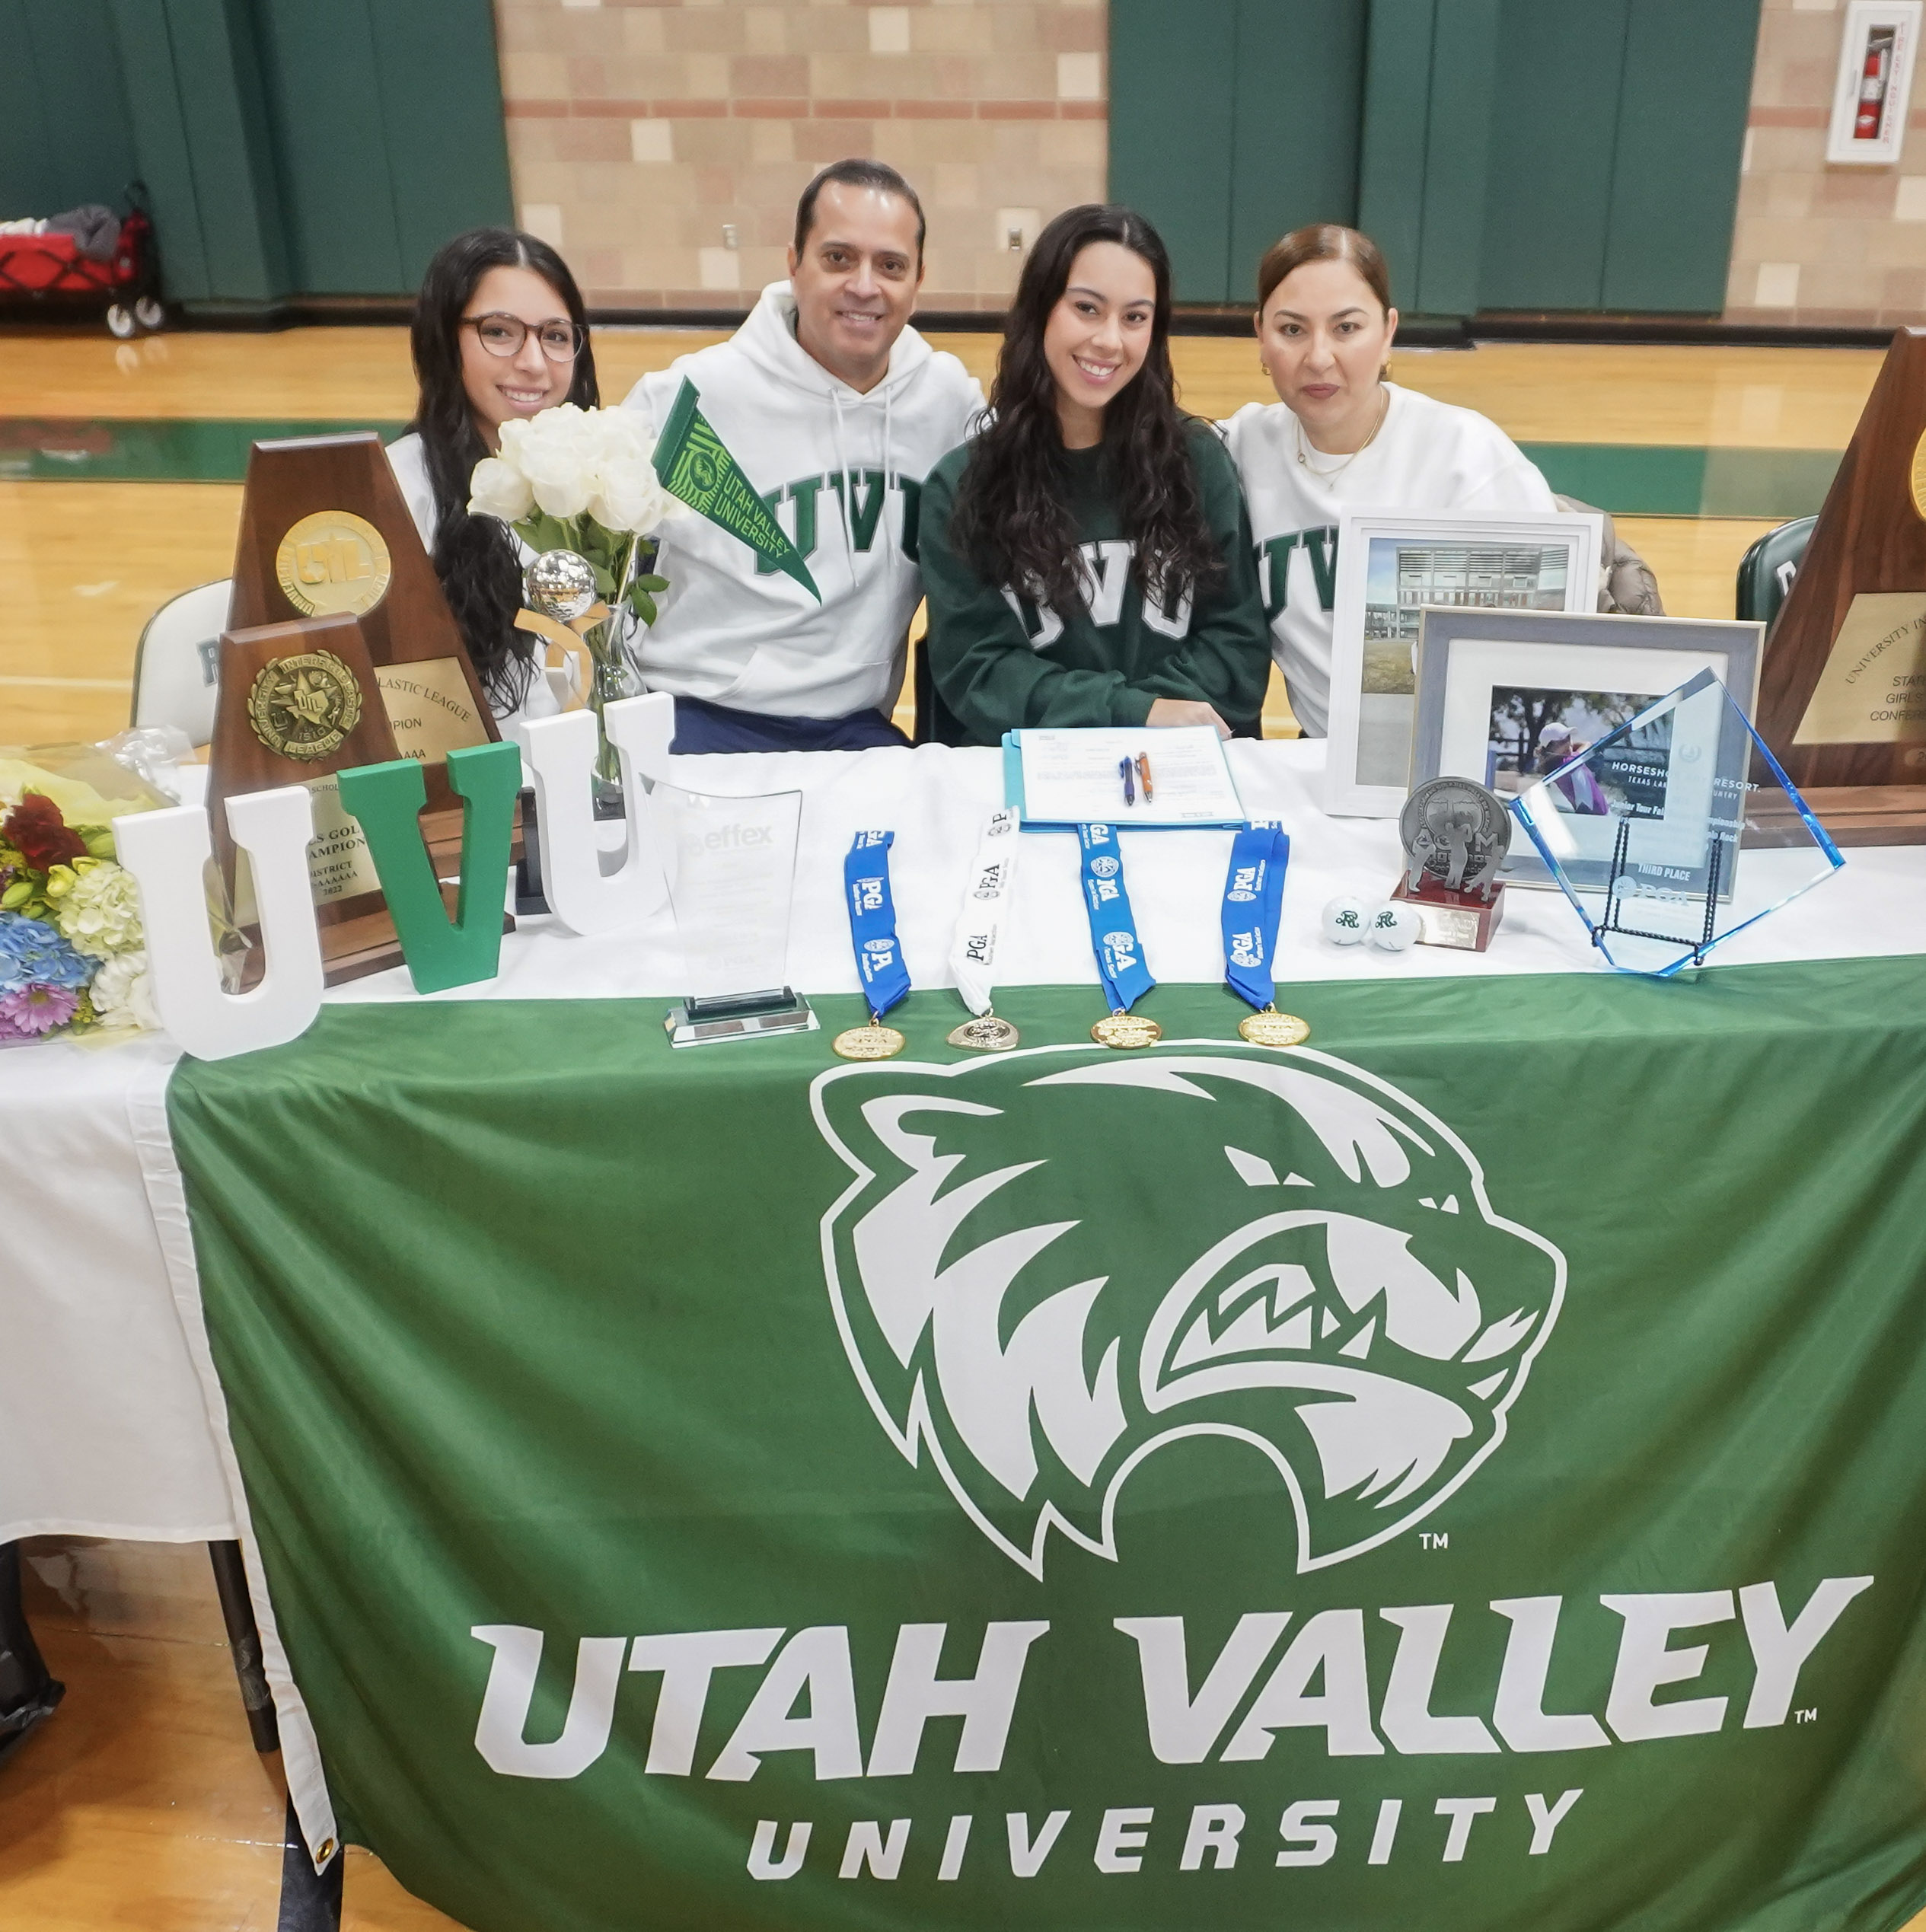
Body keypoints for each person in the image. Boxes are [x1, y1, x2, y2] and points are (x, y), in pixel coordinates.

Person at [622, 159, 983, 753]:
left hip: (856, 726)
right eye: (838, 258)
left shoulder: (948, 404)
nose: (864, 286)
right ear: (794, 263)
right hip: (697, 712)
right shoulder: (688, 400)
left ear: (919, 280)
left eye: (890, 265)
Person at [918, 205, 1269, 746]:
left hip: (1174, 763)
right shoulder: (963, 486)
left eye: (1135, 317)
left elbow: (1237, 648)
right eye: (1087, 308)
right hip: (1033, 766)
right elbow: (978, 672)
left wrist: (1141, 721)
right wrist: (1134, 712)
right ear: (1041, 311)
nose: (1110, 340)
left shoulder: (1198, 463)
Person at [1222, 224, 1558, 741]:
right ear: (1260, 339)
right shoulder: (1241, 447)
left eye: (1346, 328)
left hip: (1459, 753)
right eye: (1292, 330)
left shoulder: (1468, 459)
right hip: (1325, 759)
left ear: (1388, 333)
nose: (1318, 357)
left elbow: (1551, 654)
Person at [387, 226, 601, 728]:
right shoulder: (398, 492)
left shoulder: (601, 472)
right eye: (500, 332)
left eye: (554, 336)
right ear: (443, 338)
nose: (532, 363)